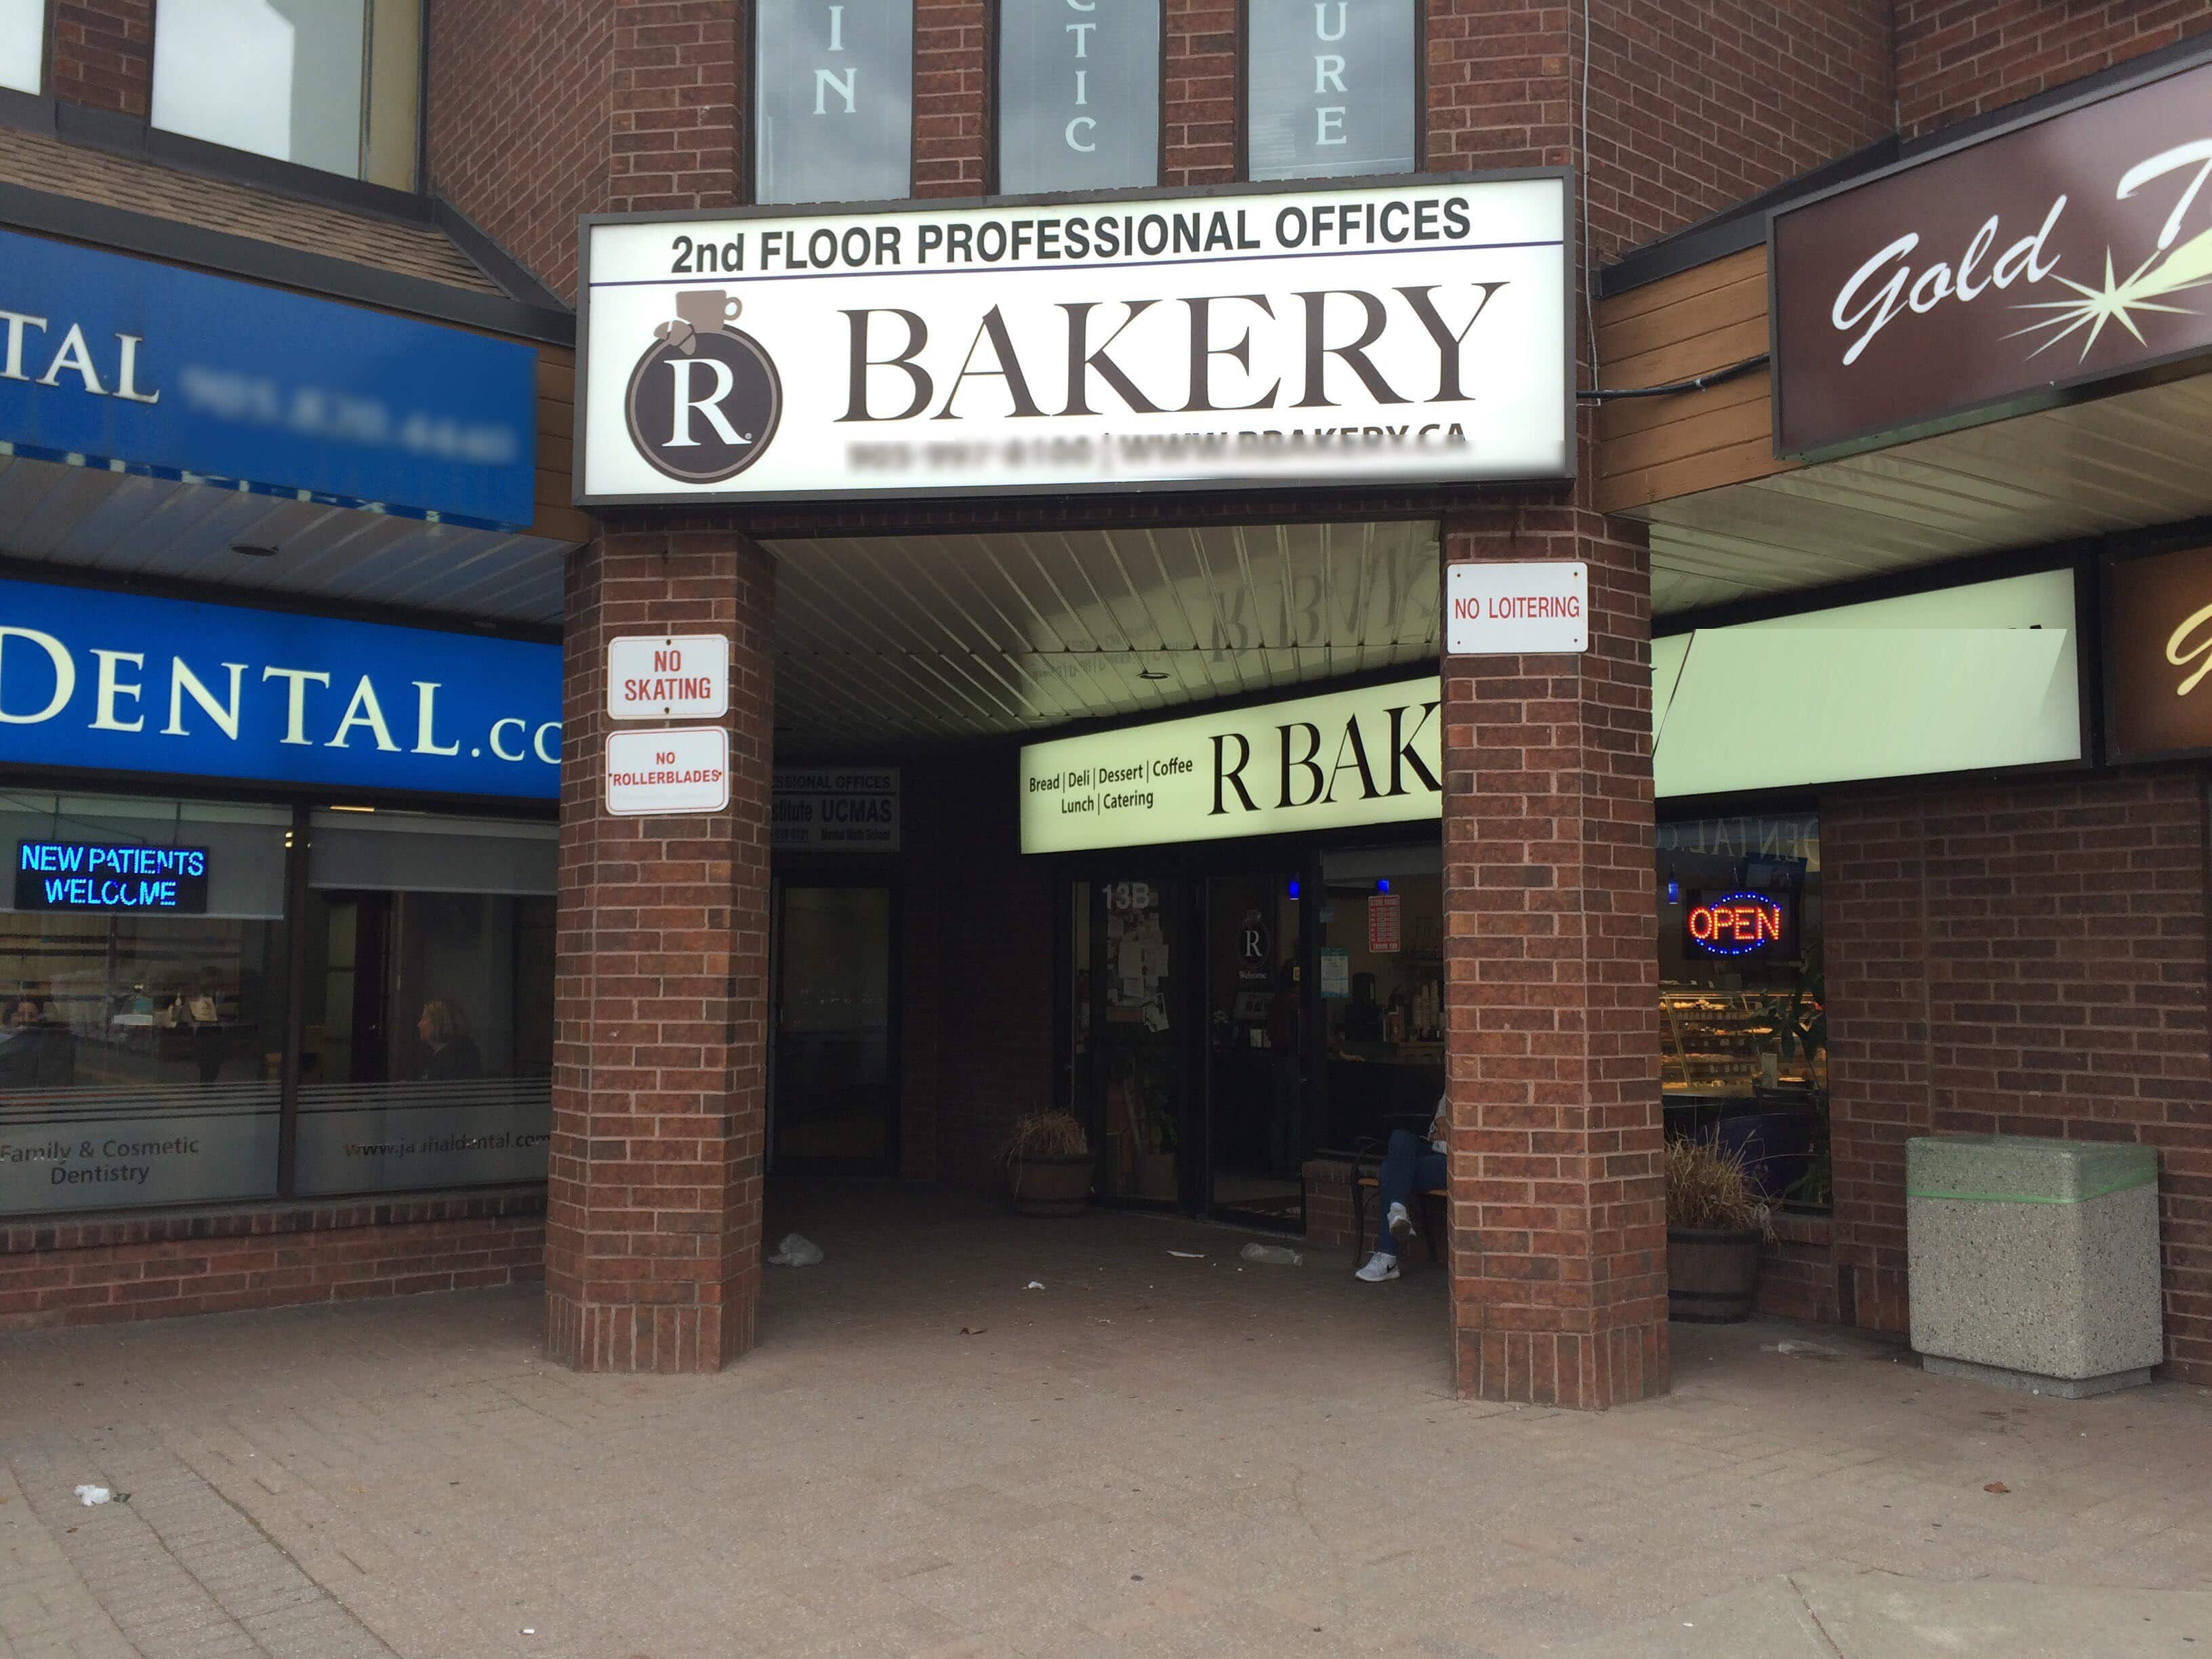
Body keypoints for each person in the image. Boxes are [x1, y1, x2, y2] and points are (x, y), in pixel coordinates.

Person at [1355, 1094, 1448, 1283]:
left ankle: (1387, 1256)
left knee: (1390, 1170)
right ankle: (1398, 1210)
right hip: (1435, 1147)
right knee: (1400, 1137)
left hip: (1454, 1160)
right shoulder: (1461, 1073)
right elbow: (1443, 1110)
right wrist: (1442, 1123)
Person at [1265, 962, 1303, 1176]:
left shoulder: (1277, 1001)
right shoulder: (1295, 1003)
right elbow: (1307, 1034)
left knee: (1280, 1113)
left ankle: (1277, 1163)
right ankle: (1293, 1165)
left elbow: (1272, 1032)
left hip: (1278, 1059)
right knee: (1295, 1114)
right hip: (1292, 1060)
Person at [415, 998, 483, 1081]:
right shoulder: (428, 1057)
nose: (419, 1025)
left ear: (438, 1023)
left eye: (424, 1019)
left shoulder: (458, 1061)